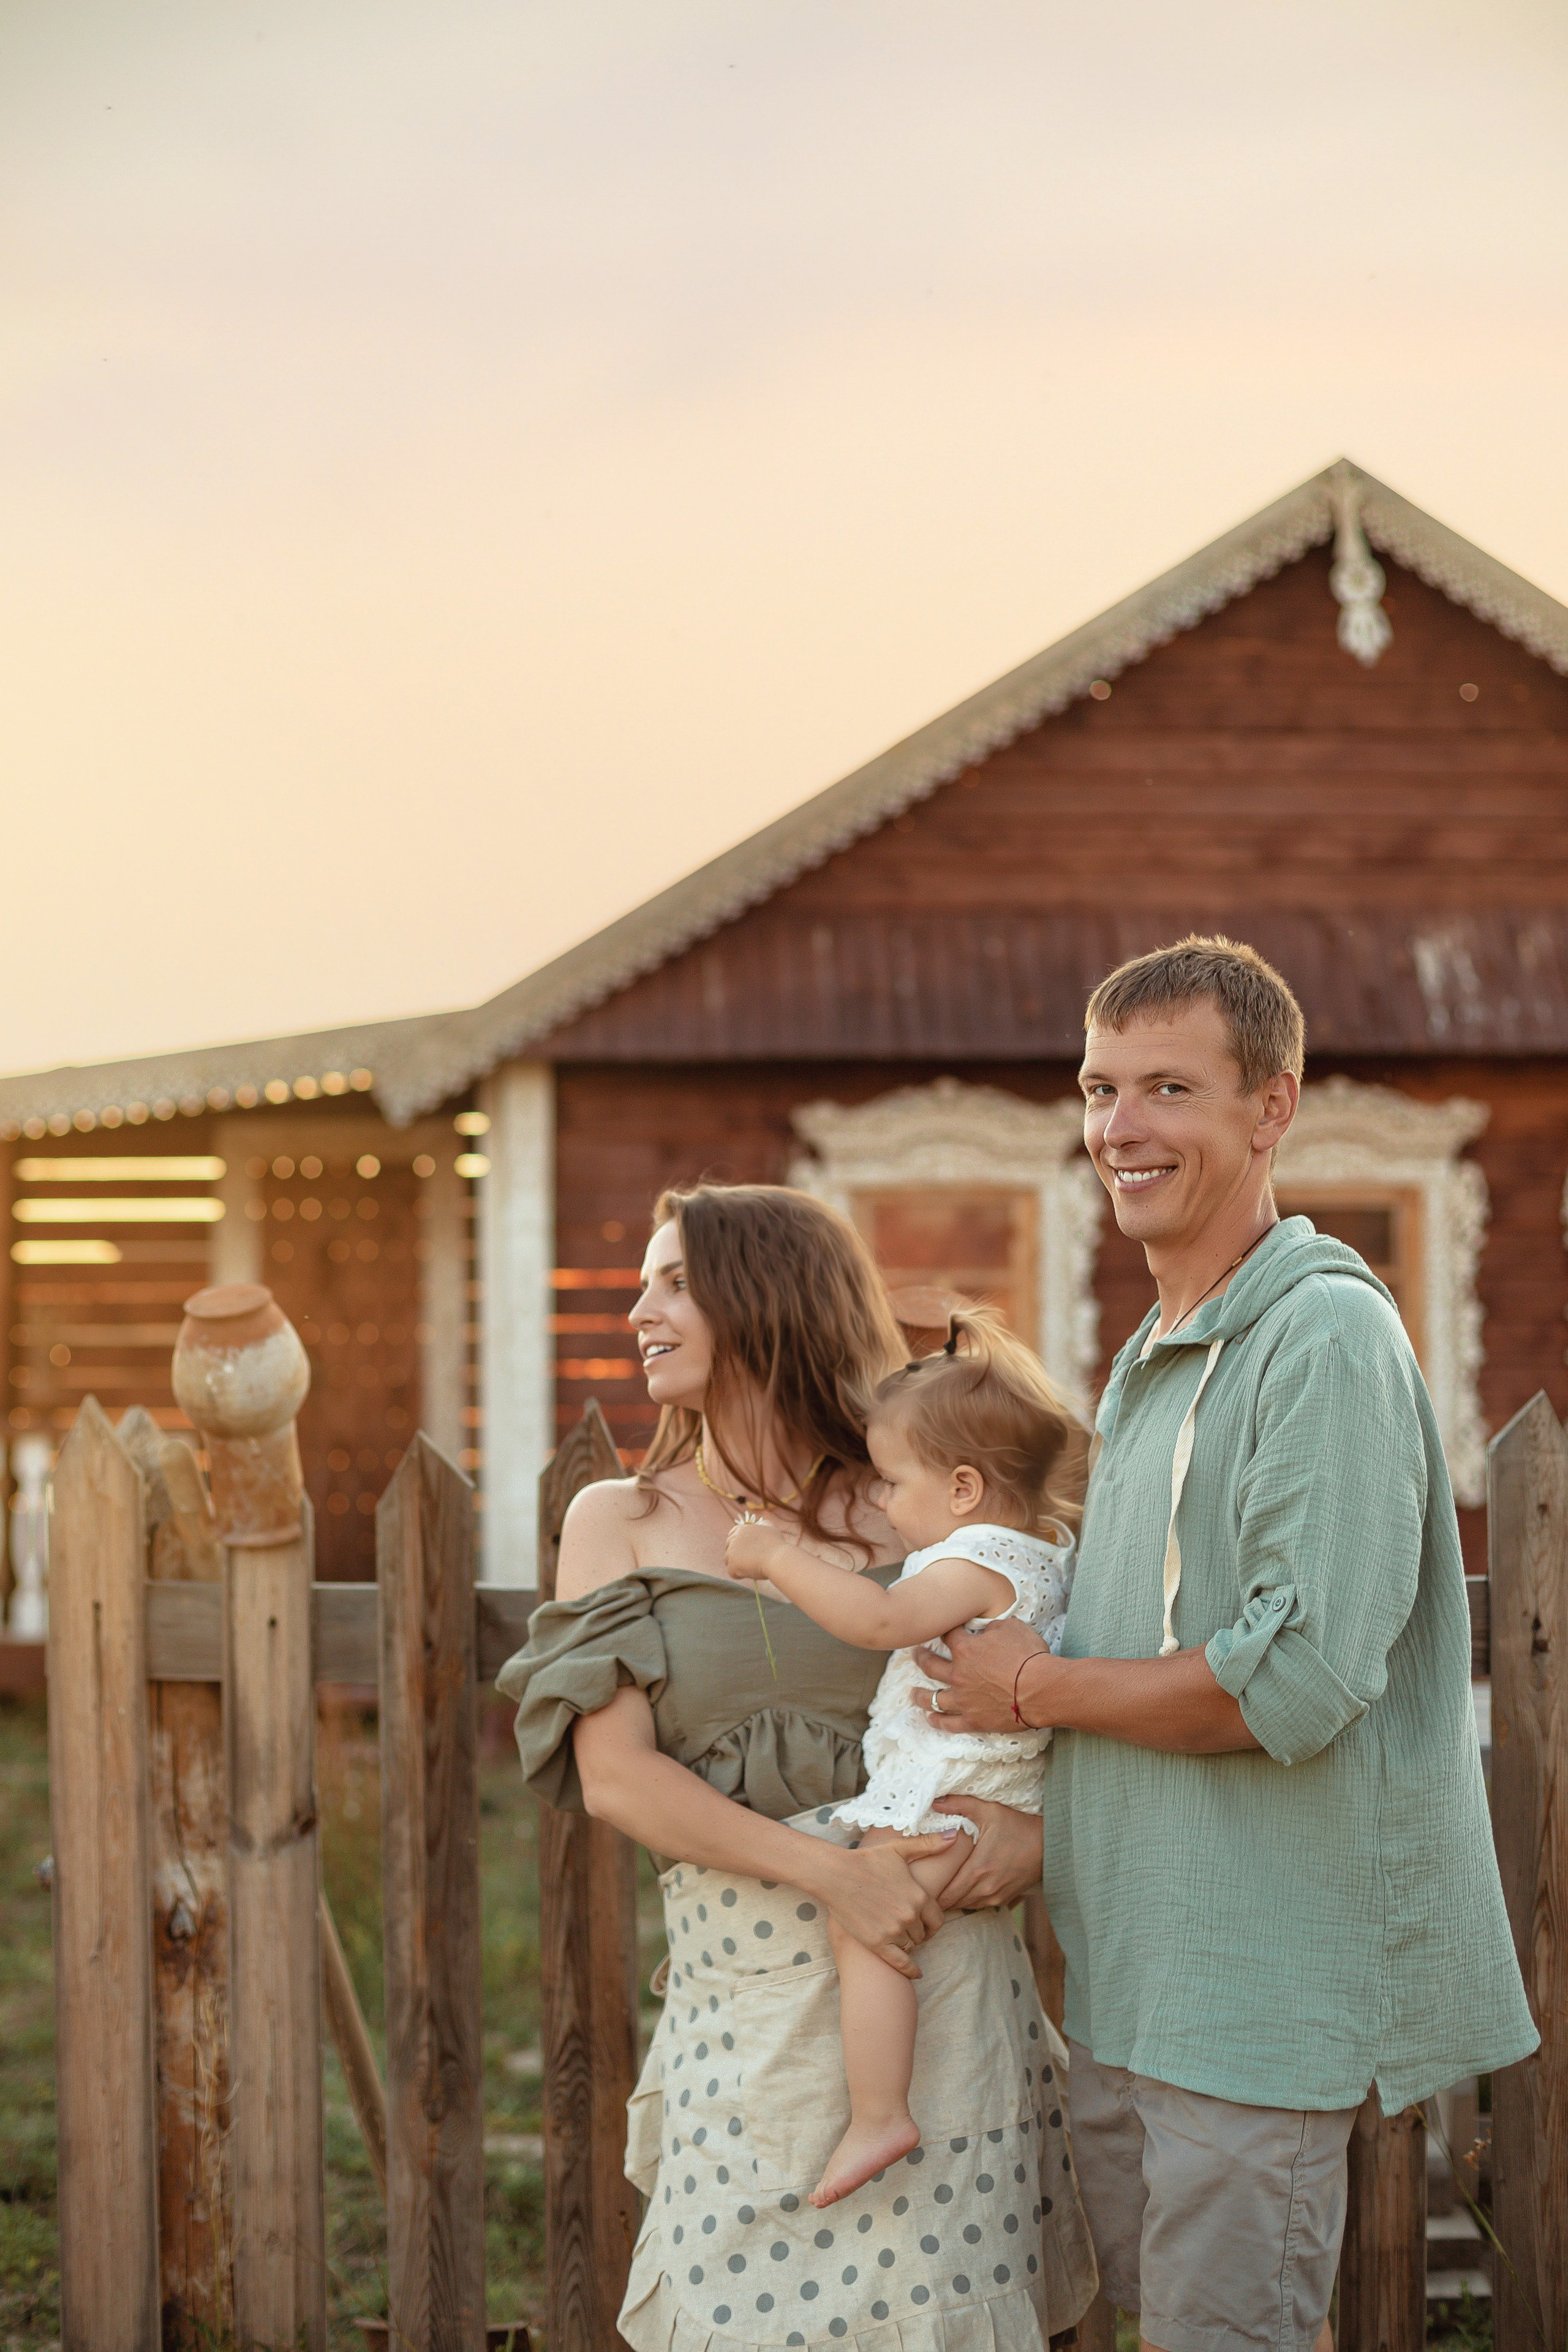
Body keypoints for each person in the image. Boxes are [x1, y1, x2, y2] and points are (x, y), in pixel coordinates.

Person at [913, 936, 1537, 2352]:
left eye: (1167, 1089)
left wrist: (1030, 1688)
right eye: (1099, 1089)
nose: (1118, 1128)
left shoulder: (1320, 1340)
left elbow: (1297, 1682)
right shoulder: (1154, 1352)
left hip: (1253, 2000)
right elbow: (1152, 1647)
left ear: (1271, 1108)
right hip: (1136, 1983)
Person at [497, 1182, 1098, 2352]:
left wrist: (1040, 1838)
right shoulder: (619, 1518)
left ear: (766, 1301)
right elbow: (616, 1779)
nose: (640, 1313)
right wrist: (838, 1877)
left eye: (676, 1284)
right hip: (746, 2011)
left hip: (944, 1996)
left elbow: (1056, 1702)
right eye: (642, 1287)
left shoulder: (923, 1511)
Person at [723, 1307, 1076, 2209]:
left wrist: (775, 1557)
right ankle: (884, 2111)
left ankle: (880, 2115)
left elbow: (878, 1620)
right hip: (971, 1788)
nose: (880, 1501)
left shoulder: (976, 1559)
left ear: (962, 1489)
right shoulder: (1031, 1553)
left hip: (953, 1795)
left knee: (864, 1924)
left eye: (890, 1481)